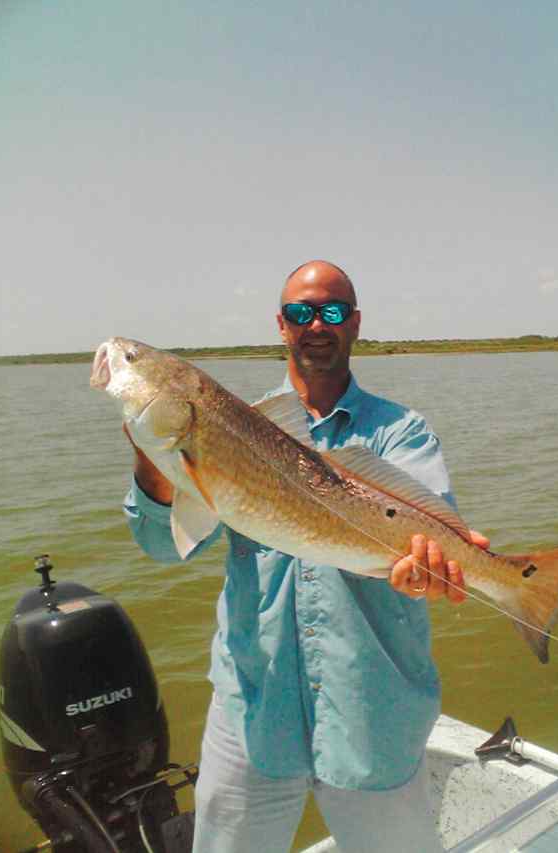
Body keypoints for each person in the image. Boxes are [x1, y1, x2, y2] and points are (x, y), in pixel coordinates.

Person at [123, 260, 489, 853]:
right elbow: (165, 546)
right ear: (281, 325)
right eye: (300, 312)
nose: (315, 324)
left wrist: (433, 569)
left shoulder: (402, 432)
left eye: (332, 311)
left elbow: (430, 536)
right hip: (253, 708)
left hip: (373, 711)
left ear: (356, 324)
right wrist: (153, 458)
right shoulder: (228, 426)